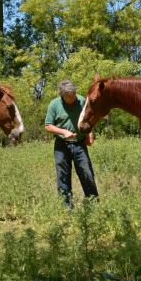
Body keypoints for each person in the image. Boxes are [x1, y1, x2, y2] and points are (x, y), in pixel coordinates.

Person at [45, 80, 99, 209]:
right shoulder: (54, 104)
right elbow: (48, 126)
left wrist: (90, 133)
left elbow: (89, 118)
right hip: (61, 145)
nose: (73, 97)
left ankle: (93, 205)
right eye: (70, 96)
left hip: (80, 144)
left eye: (74, 94)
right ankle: (67, 208)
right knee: (63, 176)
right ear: (62, 95)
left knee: (87, 173)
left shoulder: (81, 101)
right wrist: (63, 132)